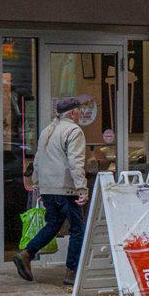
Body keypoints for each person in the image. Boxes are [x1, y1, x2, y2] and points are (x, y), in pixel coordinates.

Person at [12, 96, 90, 283]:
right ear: (72, 113)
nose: (81, 114)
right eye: (79, 111)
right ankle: (72, 272)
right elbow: (75, 163)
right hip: (67, 188)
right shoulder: (74, 130)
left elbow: (37, 160)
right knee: (78, 229)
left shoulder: (47, 130)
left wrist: (37, 185)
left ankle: (27, 253)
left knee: (54, 224)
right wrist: (82, 188)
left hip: (48, 188)